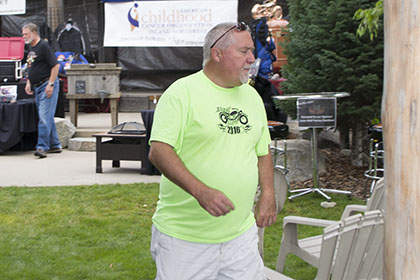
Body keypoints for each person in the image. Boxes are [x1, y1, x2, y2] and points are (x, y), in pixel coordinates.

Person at [148, 22, 277, 280]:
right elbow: (159, 150)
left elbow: (262, 151)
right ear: (217, 54)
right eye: (243, 52)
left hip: (240, 236)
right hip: (185, 239)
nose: (252, 58)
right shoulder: (181, 93)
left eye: (251, 51)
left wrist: (268, 194)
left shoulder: (251, 97)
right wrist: (201, 191)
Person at [22, 23, 62, 158]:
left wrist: (50, 84)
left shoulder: (44, 47)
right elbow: (30, 65)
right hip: (37, 85)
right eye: (23, 34)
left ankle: (42, 147)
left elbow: (56, 66)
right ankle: (55, 144)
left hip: (47, 84)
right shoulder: (31, 47)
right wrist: (29, 81)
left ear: (34, 33)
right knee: (46, 116)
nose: (23, 36)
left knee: (44, 117)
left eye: (26, 34)